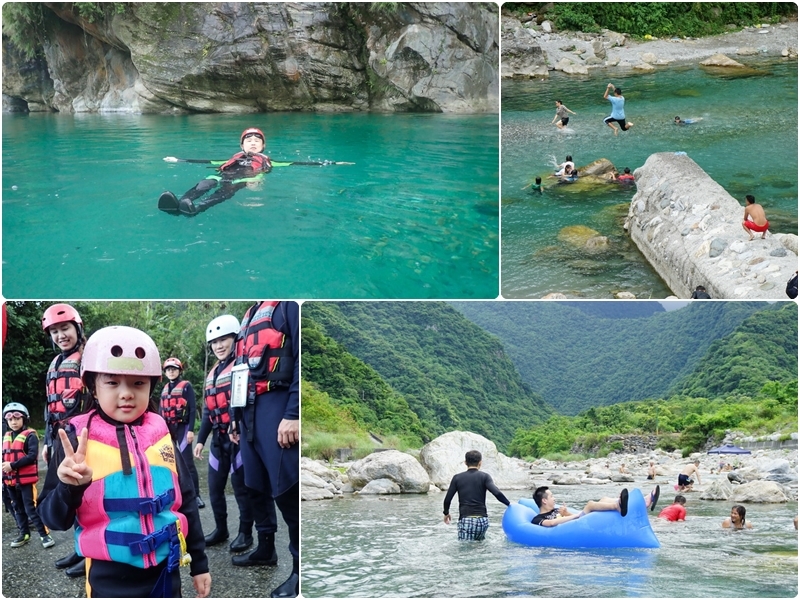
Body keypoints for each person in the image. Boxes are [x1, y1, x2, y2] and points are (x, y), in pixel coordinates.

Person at [37, 326, 211, 597]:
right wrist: (68, 487)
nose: (127, 393)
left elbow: (186, 500)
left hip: (166, 572)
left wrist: (199, 564)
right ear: (92, 386)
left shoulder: (162, 432)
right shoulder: (74, 439)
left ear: (151, 386)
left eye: (138, 383)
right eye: (112, 382)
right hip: (109, 580)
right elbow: (53, 519)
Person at [233, 301, 300, 598]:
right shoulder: (248, 315)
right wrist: (237, 419)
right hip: (248, 412)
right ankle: (265, 548)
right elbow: (241, 371)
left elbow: (301, 358)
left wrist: (294, 414)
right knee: (254, 486)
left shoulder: (288, 306)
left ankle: (300, 572)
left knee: (287, 491)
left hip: (277, 405)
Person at [195, 315, 257, 554]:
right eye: (214, 342)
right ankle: (221, 529)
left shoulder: (242, 366)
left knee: (241, 489)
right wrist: (201, 440)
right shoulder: (212, 374)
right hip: (219, 440)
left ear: (235, 338)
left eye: (224, 340)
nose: (219, 346)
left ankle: (245, 533)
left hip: (238, 438)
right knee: (214, 487)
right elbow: (208, 409)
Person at [41, 303, 88, 577]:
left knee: (84, 494)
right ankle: (78, 547)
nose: (61, 335)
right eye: (55, 331)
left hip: (81, 437)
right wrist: (48, 442)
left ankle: (88, 551)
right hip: (59, 437)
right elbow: (50, 406)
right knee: (66, 493)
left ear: (77, 329)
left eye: (65, 329)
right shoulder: (56, 363)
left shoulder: (86, 358)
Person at [160, 127, 272, 216]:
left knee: (227, 190)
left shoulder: (265, 160)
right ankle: (181, 202)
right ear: (242, 145)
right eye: (249, 141)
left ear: (263, 146)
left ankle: (197, 208)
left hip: (242, 179)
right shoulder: (235, 157)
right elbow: (208, 161)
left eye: (257, 141)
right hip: (222, 176)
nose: (253, 143)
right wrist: (178, 160)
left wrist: (257, 181)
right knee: (205, 183)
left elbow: (273, 168)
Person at [3, 402, 55, 549]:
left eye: (17, 418)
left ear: (24, 419)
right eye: (10, 419)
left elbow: (32, 456)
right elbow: (4, 458)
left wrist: (12, 466)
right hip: (10, 482)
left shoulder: (30, 436)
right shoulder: (6, 437)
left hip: (25, 482)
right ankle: (24, 533)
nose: (13, 422)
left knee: (30, 508)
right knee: (17, 508)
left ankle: (45, 535)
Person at [159, 357, 204, 509]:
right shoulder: (164, 389)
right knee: (170, 462)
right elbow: (161, 411)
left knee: (187, 463)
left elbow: (191, 409)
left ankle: (196, 495)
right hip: (169, 429)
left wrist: (191, 430)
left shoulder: (186, 386)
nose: (171, 372)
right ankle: (176, 495)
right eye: (168, 369)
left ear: (179, 371)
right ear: (165, 372)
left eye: (174, 369)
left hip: (183, 428)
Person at [442, 450, 510, 541]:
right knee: (479, 547)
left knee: (465, 551)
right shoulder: (485, 477)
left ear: (465, 462)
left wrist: (446, 513)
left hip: (466, 519)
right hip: (482, 520)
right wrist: (509, 504)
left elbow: (447, 500)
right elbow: (497, 493)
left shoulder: (457, 478)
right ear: (480, 462)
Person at [531, 485, 660, 526]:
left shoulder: (556, 509)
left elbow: (569, 518)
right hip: (574, 526)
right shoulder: (537, 519)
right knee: (590, 504)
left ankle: (643, 501)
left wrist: (566, 513)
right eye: (552, 496)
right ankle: (618, 506)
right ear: (544, 501)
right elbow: (552, 523)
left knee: (603, 499)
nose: (555, 498)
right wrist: (575, 515)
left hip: (575, 521)